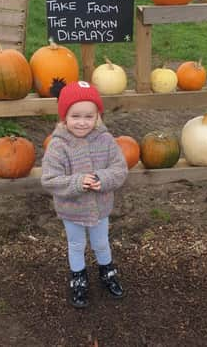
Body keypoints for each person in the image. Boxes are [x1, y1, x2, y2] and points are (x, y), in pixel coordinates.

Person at [40, 81, 128, 308]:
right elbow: (49, 179)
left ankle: (106, 270)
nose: (82, 122)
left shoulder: (106, 140)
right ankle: (78, 277)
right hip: (72, 210)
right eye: (75, 116)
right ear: (64, 117)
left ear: (97, 116)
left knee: (101, 242)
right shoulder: (58, 146)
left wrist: (104, 179)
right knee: (76, 244)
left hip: (100, 208)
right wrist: (78, 182)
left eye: (89, 116)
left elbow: (120, 169)